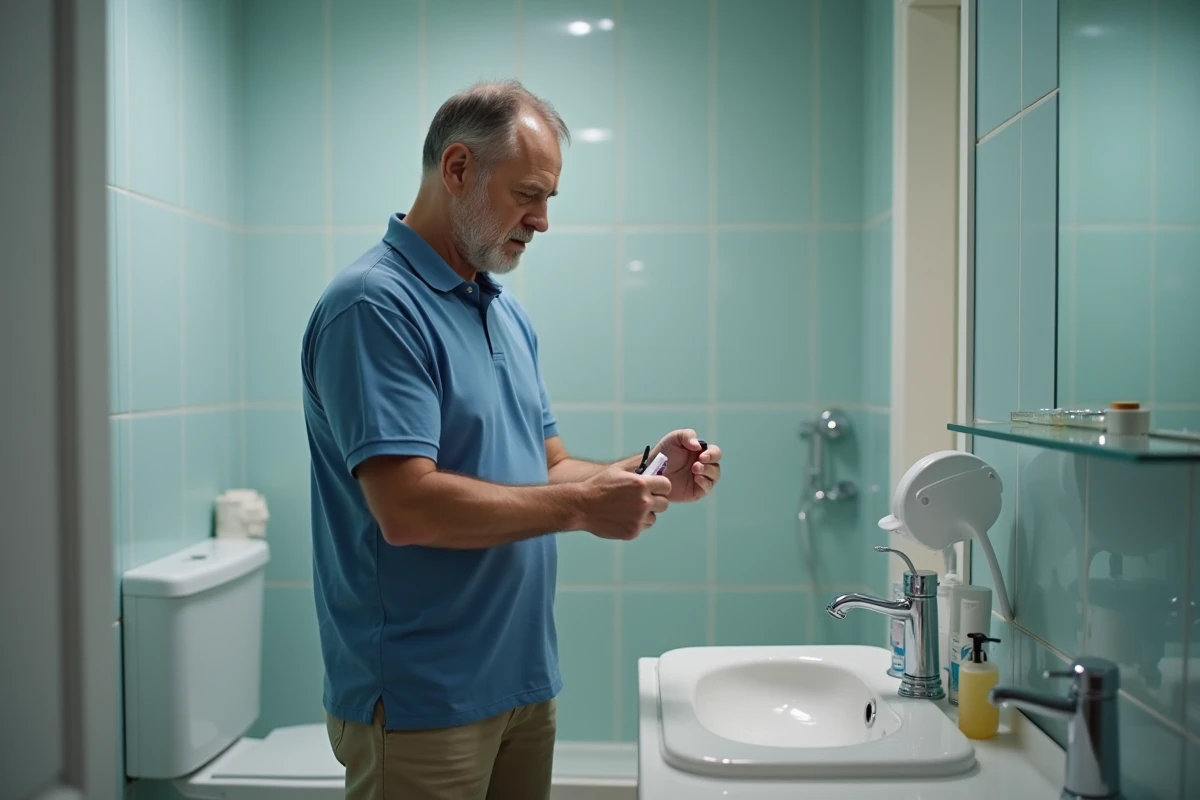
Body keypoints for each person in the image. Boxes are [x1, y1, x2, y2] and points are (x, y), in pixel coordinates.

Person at [300, 79, 722, 800]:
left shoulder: (503, 314)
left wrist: (642, 475)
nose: (544, 220)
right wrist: (586, 510)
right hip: (421, 700)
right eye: (529, 193)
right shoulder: (374, 306)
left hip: (521, 683)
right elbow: (408, 508)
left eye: (550, 198)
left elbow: (546, 466)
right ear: (457, 168)